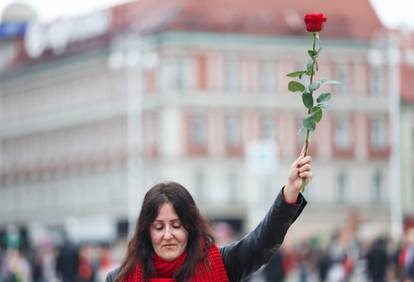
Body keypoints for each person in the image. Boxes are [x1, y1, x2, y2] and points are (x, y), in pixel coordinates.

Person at [106, 149, 312, 282]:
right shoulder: (119, 278)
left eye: (176, 225)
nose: (167, 235)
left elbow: (262, 242)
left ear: (190, 228)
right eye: (159, 227)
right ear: (147, 231)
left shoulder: (220, 263)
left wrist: (289, 193)